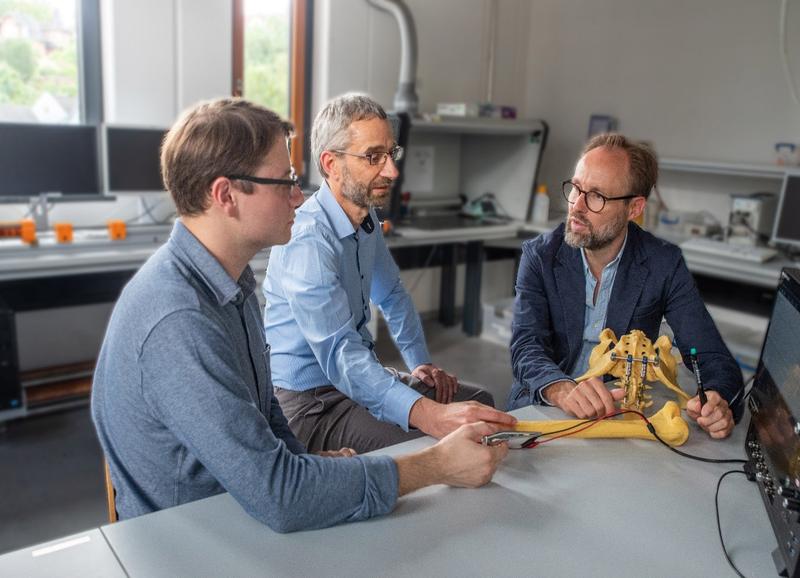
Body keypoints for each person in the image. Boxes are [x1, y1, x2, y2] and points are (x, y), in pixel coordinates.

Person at [91, 98, 509, 533]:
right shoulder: (178, 320)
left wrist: (301, 459)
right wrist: (434, 465)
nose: (298, 195)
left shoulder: (230, 284)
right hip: (197, 539)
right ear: (225, 195)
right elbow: (282, 496)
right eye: (283, 182)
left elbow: (266, 409)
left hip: (237, 507)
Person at [264, 93, 516, 453]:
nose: (392, 171)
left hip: (359, 378)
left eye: (390, 154)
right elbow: (341, 354)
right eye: (373, 157)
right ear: (331, 164)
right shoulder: (308, 240)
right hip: (313, 404)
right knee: (448, 442)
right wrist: (428, 415)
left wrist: (420, 364)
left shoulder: (364, 218)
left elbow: (393, 295)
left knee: (483, 406)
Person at [507, 133, 744, 439]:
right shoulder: (540, 256)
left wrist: (717, 398)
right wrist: (561, 389)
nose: (577, 206)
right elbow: (526, 346)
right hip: (545, 409)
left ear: (634, 208)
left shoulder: (663, 264)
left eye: (596, 196)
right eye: (576, 188)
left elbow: (710, 355)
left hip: (620, 415)